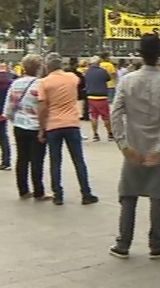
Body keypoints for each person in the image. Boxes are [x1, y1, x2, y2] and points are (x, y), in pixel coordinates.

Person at [109, 33, 160, 260]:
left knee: (129, 195)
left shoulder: (127, 80)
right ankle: (156, 242)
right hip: (156, 150)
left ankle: (123, 243)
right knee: (158, 195)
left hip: (133, 148)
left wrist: (123, 144)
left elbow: (115, 113)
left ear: (140, 54)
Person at [38, 52, 99, 206]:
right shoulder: (72, 78)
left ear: (47, 66)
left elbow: (42, 107)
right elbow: (79, 81)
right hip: (72, 122)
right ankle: (86, 193)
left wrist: (41, 128)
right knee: (78, 160)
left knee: (55, 160)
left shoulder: (44, 83)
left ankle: (58, 195)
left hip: (53, 124)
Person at [3, 54, 51, 201]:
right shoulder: (42, 84)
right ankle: (38, 191)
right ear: (39, 67)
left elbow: (9, 107)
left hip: (20, 125)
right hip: (37, 126)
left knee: (22, 158)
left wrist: (15, 119)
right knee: (37, 159)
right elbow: (45, 107)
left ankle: (23, 190)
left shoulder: (15, 84)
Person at [85, 56, 114, 142]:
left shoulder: (87, 71)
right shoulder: (102, 71)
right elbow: (108, 78)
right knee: (106, 116)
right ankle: (109, 134)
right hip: (101, 96)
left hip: (91, 96)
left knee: (94, 116)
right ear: (99, 63)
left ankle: (95, 135)